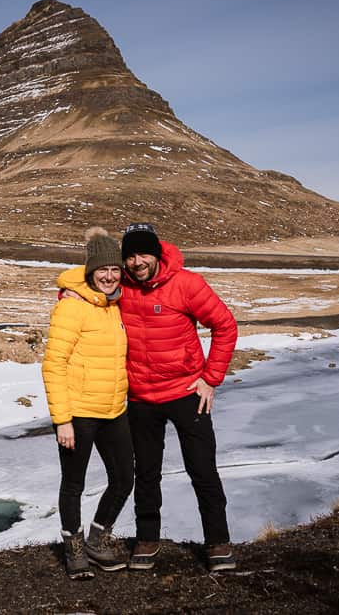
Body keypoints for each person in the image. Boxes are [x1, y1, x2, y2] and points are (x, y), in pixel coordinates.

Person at [119, 222, 238, 572]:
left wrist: (210, 378)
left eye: (142, 253)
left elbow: (225, 326)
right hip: (141, 396)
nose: (136, 262)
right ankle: (147, 539)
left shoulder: (187, 283)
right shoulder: (121, 288)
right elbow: (86, 287)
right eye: (129, 256)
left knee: (202, 470)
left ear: (156, 253)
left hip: (187, 392)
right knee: (146, 472)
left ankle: (218, 542)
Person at [42, 227, 135, 580]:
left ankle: (98, 539)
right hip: (78, 413)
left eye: (114, 270)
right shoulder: (71, 307)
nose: (109, 276)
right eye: (102, 270)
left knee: (124, 478)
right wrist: (62, 420)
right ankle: (74, 548)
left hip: (114, 410)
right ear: (91, 271)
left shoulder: (113, 305)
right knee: (74, 484)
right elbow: (53, 365)